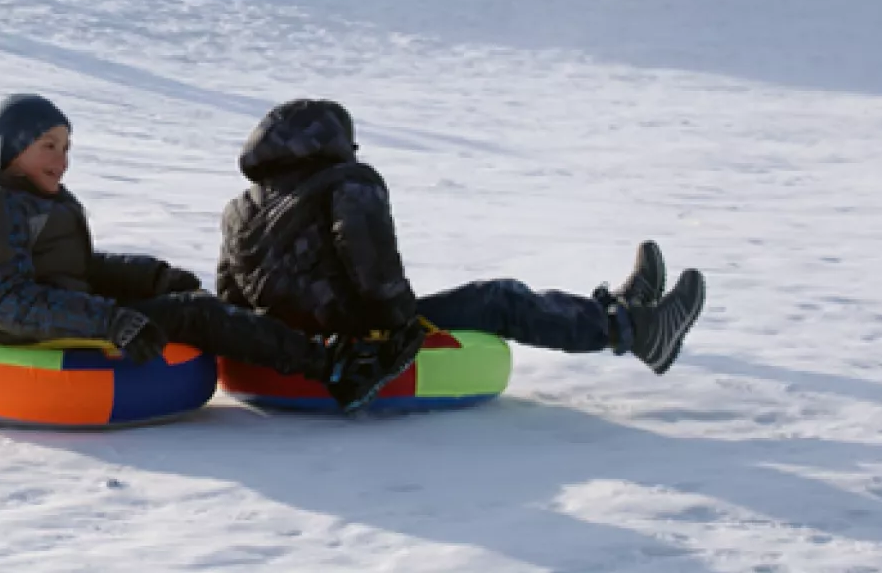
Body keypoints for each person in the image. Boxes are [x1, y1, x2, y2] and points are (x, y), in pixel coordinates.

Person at [0, 94, 402, 411]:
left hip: (53, 312)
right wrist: (111, 321)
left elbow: (75, 271)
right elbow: (11, 301)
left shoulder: (30, 201)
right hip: (18, 328)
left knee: (186, 301)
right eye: (48, 146)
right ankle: (334, 370)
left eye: (66, 147)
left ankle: (299, 354)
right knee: (197, 316)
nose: (61, 160)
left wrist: (153, 277)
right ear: (11, 149)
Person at [215, 99, 708, 377]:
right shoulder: (348, 182)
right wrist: (396, 325)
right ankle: (636, 332)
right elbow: (372, 266)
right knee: (498, 300)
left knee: (491, 299)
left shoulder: (238, 209)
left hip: (299, 343)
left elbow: (230, 298)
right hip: (361, 335)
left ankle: (617, 309)